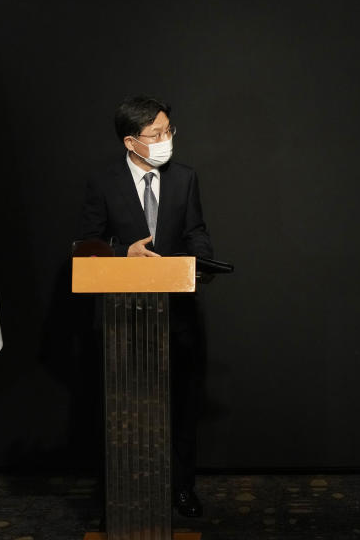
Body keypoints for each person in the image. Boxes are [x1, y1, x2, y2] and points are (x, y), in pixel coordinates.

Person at [79, 95, 213, 518]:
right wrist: (123, 255)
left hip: (177, 313)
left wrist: (202, 262)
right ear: (130, 142)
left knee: (181, 406)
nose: (165, 139)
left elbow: (197, 232)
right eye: (155, 134)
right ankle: (110, 498)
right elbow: (87, 244)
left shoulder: (185, 178)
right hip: (122, 315)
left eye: (169, 131)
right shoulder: (103, 182)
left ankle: (181, 488)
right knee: (115, 408)